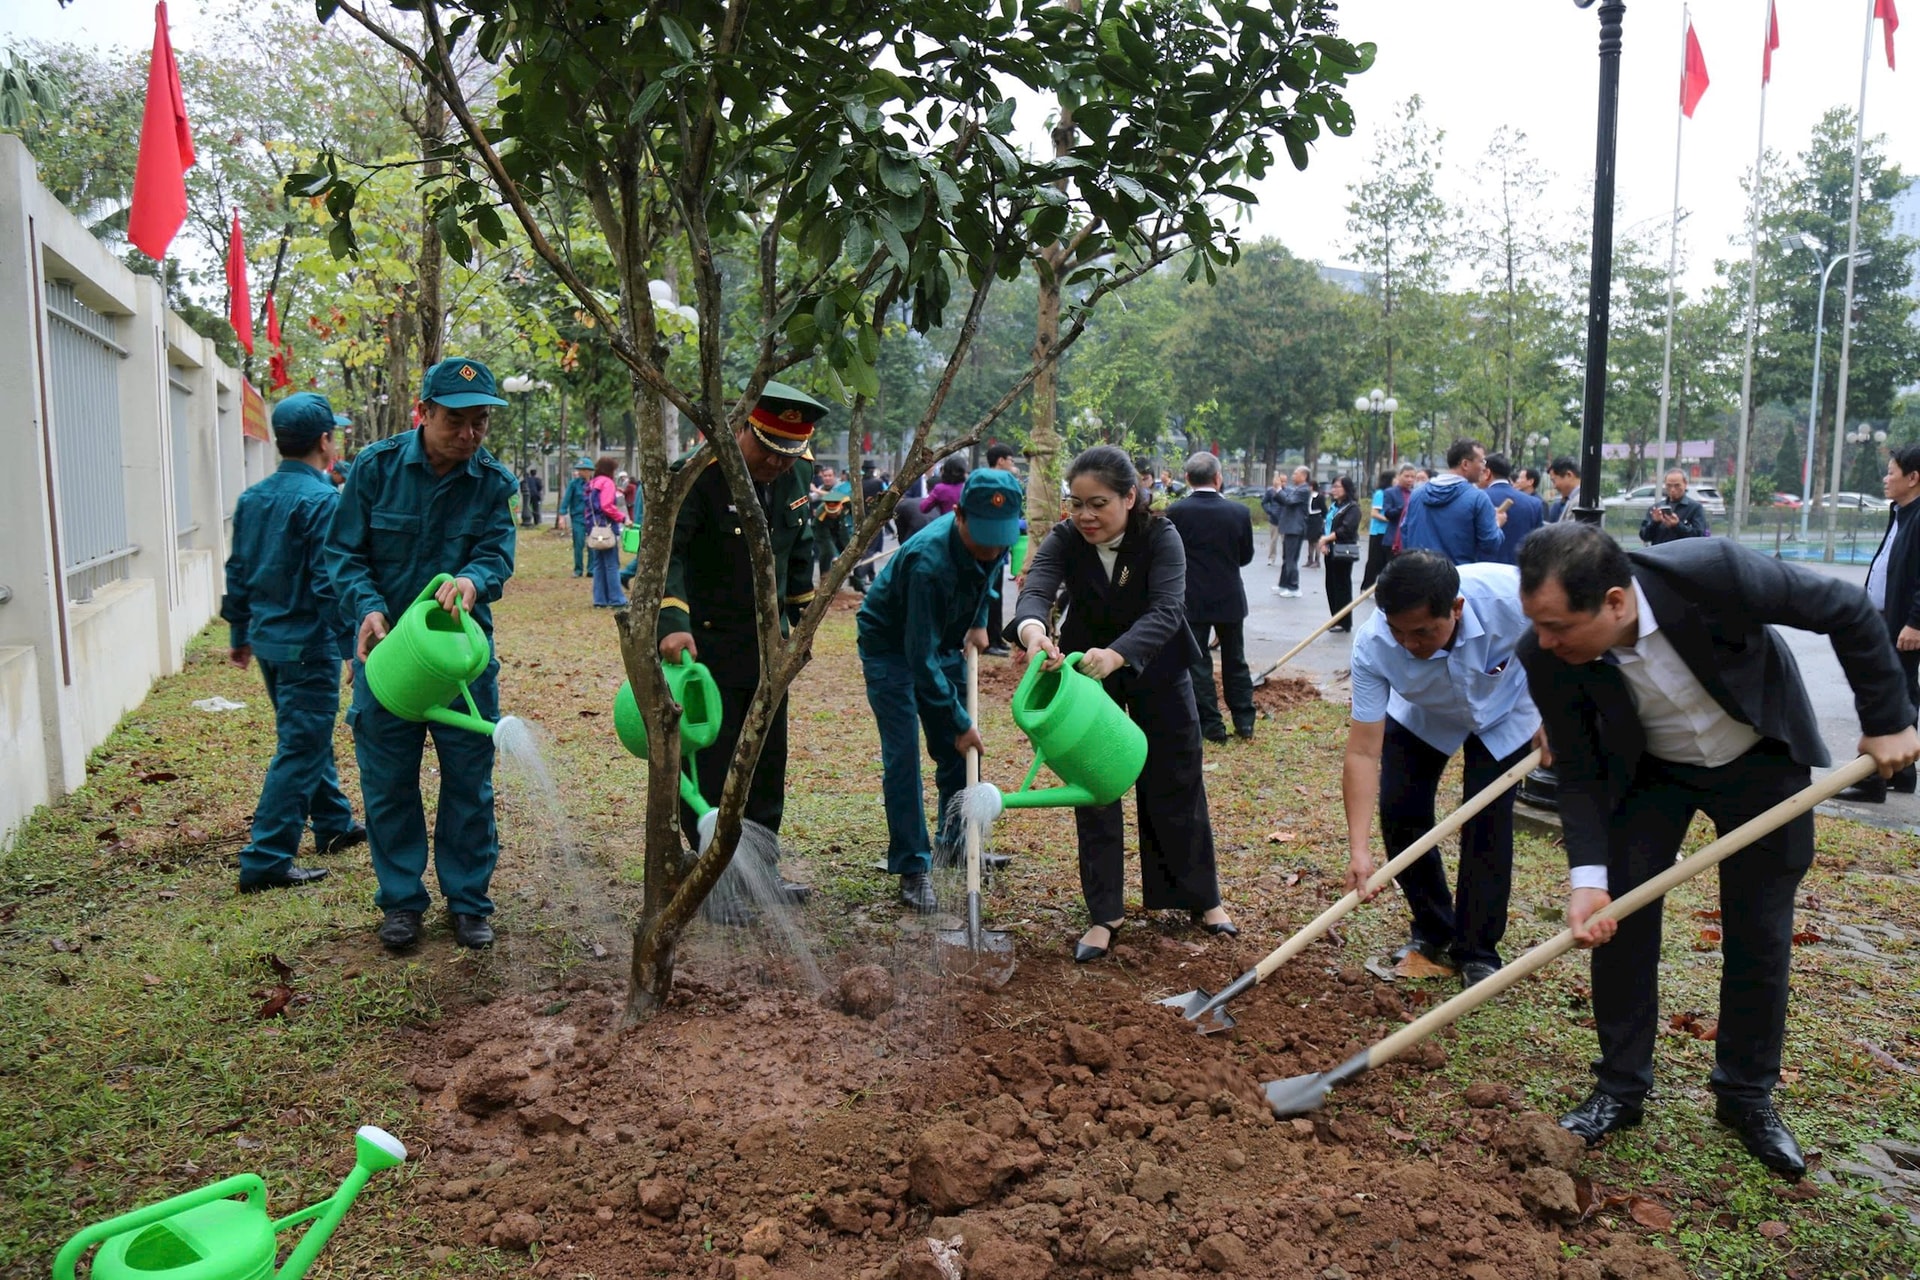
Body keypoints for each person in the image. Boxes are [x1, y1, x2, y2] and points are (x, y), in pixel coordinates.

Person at [1516, 523, 1919, 1177]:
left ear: (1615, 602)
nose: (1543, 641)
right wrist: (1587, 879)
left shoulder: (1714, 574)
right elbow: (1581, 770)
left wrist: (1887, 718)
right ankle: (1620, 1088)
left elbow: (1844, 609)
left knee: (1759, 929)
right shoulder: (1547, 654)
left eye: (1559, 625)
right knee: (1620, 921)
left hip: (1758, 758)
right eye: (1538, 624)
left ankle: (1745, 1095)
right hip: (1649, 771)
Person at [1010, 446, 1237, 960]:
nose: (1085, 516)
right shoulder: (1066, 537)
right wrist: (1032, 633)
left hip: (1157, 667)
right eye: (1076, 503)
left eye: (1099, 503)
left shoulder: (1161, 536)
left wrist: (1117, 655)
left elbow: (1168, 609)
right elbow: (1036, 588)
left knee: (1175, 779)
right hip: (1087, 682)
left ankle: (1200, 898)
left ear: (1130, 497)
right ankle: (1104, 913)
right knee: (1095, 787)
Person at [324, 357, 518, 951]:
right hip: (386, 659)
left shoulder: (491, 481)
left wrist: (473, 580)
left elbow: (497, 553)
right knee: (389, 784)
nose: (469, 435)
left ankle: (469, 902)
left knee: (469, 783)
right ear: (423, 413)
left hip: (461, 661)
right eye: (455, 422)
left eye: (480, 423)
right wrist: (367, 607)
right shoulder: (376, 470)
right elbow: (344, 553)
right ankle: (402, 902)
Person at [657, 382, 822, 905]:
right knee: (711, 759)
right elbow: (669, 554)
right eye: (769, 448)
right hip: (702, 648)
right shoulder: (699, 473)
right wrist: (672, 623)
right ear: (743, 427)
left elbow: (801, 552)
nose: (777, 462)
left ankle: (762, 871)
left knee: (767, 761)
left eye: (788, 452)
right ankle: (717, 878)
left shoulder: (797, 473)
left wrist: (798, 625)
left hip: (766, 647)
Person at [1342, 552, 1540, 987]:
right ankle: (1432, 928)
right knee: (1400, 809)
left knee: (1486, 820)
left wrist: (1555, 713)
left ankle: (1478, 949)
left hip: (1507, 707)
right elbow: (1362, 752)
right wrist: (1359, 849)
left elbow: (1563, 639)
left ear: (1457, 608)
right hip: (1424, 712)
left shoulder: (1512, 595)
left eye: (1423, 632)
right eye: (1400, 632)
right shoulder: (1374, 645)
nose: (1410, 644)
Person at [859, 469, 1022, 911]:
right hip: (892, 646)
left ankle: (953, 846)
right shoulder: (929, 564)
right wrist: (959, 720)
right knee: (904, 755)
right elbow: (919, 657)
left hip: (944, 635)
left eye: (1000, 539)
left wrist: (979, 620)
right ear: (958, 516)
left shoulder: (994, 539)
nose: (992, 548)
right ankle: (913, 866)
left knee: (958, 751)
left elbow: (988, 574)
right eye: (982, 538)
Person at [221, 391, 363, 894]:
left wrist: (239, 632)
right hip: (308, 644)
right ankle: (266, 858)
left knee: (305, 735)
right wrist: (352, 644)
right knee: (301, 747)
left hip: (269, 643)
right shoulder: (323, 499)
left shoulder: (252, 497)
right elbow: (329, 583)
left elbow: (237, 569)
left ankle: (333, 824)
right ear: (325, 441)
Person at [1840, 444, 1920, 801]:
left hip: (1905, 625)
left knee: (1884, 693)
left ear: (1913, 478)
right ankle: (1901, 773)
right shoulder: (1902, 512)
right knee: (1900, 692)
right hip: (1888, 620)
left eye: (1892, 472)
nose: (1886, 479)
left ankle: (1873, 777)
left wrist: (1916, 622)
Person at [1164, 451, 1256, 743]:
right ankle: (1244, 722)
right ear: (1219, 478)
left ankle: (1211, 726)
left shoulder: (1176, 512)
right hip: (1230, 596)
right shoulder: (1239, 512)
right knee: (1235, 660)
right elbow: (1246, 556)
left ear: (1187, 478)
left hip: (1192, 598)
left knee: (1198, 662)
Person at [1399, 439, 1505, 566]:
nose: (1484, 467)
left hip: (1420, 574)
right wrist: (1497, 524)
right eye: (1482, 461)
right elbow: (1490, 545)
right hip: (1457, 578)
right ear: (1465, 464)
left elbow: (1405, 532)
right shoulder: (1478, 498)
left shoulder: (1417, 494)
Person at [982, 443, 1023, 658]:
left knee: (996, 592)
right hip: (989, 544)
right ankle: (988, 639)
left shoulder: (1003, 482)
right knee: (989, 593)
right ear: (1001, 460)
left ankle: (996, 637)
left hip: (999, 544)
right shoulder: (991, 483)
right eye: (1011, 460)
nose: (1013, 464)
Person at [1317, 475, 1363, 630]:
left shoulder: (1352, 508)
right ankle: (1335, 618)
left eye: (1337, 487)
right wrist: (1323, 541)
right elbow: (1326, 525)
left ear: (1346, 488)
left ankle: (1344, 622)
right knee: (1331, 585)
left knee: (1342, 585)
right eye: (1333, 486)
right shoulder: (1334, 506)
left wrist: (1326, 539)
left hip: (1343, 550)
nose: (1334, 490)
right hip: (1330, 549)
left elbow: (1346, 529)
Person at [1483, 452, 1544, 566]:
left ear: (1487, 473)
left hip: (1484, 571)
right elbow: (1539, 545)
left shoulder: (1477, 499)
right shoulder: (1534, 503)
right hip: (1520, 572)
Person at [586, 455, 628, 608]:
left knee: (598, 564)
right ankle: (616, 599)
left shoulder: (593, 483)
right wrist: (623, 518)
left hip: (594, 529)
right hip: (607, 528)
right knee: (611, 564)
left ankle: (600, 599)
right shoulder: (607, 483)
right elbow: (607, 506)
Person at [1640, 470, 1709, 544]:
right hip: (1659, 553)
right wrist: (1655, 522)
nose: (1672, 489)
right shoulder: (1656, 509)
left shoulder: (1695, 508)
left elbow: (1699, 536)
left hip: (1683, 554)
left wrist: (1677, 525)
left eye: (1677, 485)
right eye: (1669, 485)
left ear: (1685, 484)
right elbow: (1644, 536)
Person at [1273, 466, 1313, 597]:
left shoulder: (1304, 489)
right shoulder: (1297, 489)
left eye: (1296, 474)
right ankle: (1283, 584)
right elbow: (1283, 499)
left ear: (1304, 476)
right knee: (1286, 558)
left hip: (1295, 528)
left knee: (1291, 559)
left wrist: (1279, 489)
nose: (1293, 476)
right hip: (1290, 527)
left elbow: (1289, 501)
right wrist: (1278, 490)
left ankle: (1293, 587)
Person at [853, 459, 887, 591]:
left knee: (865, 547)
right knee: (871, 549)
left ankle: (871, 575)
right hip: (875, 518)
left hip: (861, 519)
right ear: (873, 470)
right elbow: (884, 499)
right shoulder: (878, 483)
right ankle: (860, 574)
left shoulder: (858, 483)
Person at [558, 458, 593, 576]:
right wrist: (562, 516)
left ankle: (591, 569)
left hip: (593, 518)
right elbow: (566, 500)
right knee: (578, 543)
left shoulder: (595, 484)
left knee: (593, 544)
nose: (580, 472)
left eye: (583, 470)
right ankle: (578, 569)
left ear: (589, 471)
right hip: (578, 518)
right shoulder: (574, 484)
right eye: (580, 469)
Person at [1362, 470, 1394, 591]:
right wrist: (1389, 519)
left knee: (1387, 561)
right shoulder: (1380, 493)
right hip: (1378, 532)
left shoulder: (1393, 494)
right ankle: (1367, 586)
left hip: (1388, 532)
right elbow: (1374, 513)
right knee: (1374, 560)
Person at [1379, 463, 1417, 561]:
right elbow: (1388, 513)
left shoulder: (1416, 493)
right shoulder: (1390, 492)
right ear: (1399, 476)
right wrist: (1403, 507)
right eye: (1406, 476)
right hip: (1393, 538)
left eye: (1412, 477)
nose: (1410, 479)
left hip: (1410, 539)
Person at [1260, 474, 1286, 565]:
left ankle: (1285, 558)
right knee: (1273, 540)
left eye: (1284, 481)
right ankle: (1271, 558)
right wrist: (1270, 511)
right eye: (1281, 481)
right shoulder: (1270, 491)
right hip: (1274, 520)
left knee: (1285, 541)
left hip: (1284, 520)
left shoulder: (1287, 491)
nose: (1283, 483)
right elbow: (1264, 502)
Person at [1546, 456, 1580, 523]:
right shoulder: (1573, 499)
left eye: (1554, 481)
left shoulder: (1580, 502)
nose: (1554, 486)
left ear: (1568, 475)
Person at [1304, 480, 1328, 569]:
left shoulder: (1319, 497)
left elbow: (1324, 509)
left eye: (1309, 486)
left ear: (1312, 487)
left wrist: (1324, 519)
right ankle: (1309, 559)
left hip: (1317, 518)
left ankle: (1317, 560)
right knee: (1310, 540)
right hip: (1310, 519)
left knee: (1316, 540)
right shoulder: (1309, 496)